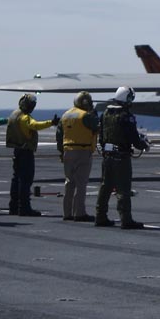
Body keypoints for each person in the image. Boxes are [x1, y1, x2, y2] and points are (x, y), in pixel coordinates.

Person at [95, 87, 150, 229]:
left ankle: (100, 216)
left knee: (105, 187)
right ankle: (126, 219)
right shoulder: (126, 116)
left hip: (107, 156)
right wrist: (144, 145)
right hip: (121, 157)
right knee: (123, 189)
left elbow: (101, 136)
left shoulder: (106, 113)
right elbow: (134, 138)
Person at [5, 93, 59, 216]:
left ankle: (13, 206)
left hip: (17, 150)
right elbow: (35, 125)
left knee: (16, 179)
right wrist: (51, 122)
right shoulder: (24, 118)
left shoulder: (14, 114)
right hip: (25, 151)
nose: (32, 107)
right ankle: (24, 207)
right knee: (25, 180)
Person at [57, 91, 99, 222]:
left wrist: (61, 152)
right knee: (81, 184)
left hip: (67, 151)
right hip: (83, 151)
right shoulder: (85, 115)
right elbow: (97, 126)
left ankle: (67, 213)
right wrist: (94, 114)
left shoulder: (65, 115)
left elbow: (59, 135)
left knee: (69, 183)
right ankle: (79, 213)